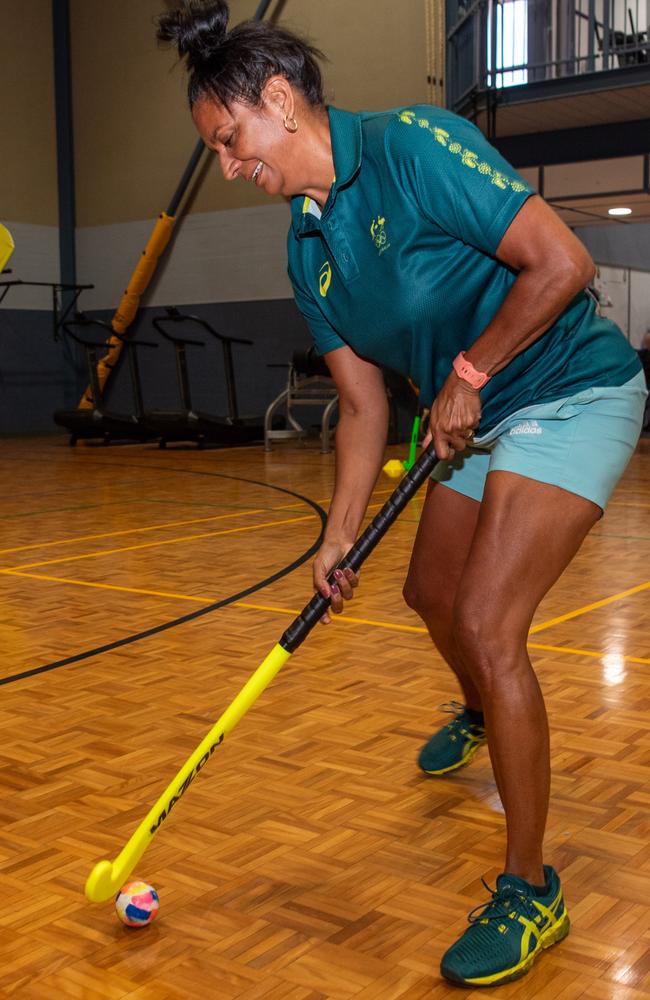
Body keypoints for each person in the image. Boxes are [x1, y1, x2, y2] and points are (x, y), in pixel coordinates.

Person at [157, 1, 647, 987]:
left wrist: (466, 373)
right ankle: (479, 708)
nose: (227, 163)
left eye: (228, 138)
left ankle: (530, 889)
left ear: (280, 100)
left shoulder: (414, 144)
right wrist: (334, 538)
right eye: (213, 148)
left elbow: (564, 262)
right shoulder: (306, 247)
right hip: (465, 412)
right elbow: (360, 403)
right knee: (427, 595)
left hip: (566, 389)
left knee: (486, 616)